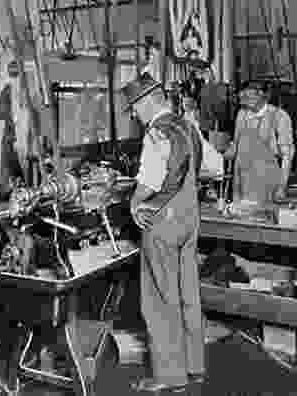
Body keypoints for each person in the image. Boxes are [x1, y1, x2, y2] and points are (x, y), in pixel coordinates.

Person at [122, 73, 205, 393]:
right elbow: (207, 167)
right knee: (188, 292)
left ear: (147, 101)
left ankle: (169, 377)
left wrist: (134, 201)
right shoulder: (188, 126)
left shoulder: (157, 132)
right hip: (189, 216)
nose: (133, 114)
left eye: (133, 107)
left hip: (163, 220)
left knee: (159, 298)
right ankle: (194, 365)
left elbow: (151, 180)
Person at [224, 81, 295, 204]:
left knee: (263, 216)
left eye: (247, 96)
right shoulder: (242, 114)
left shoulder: (279, 116)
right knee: (241, 215)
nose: (243, 100)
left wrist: (282, 187)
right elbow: (235, 145)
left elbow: (287, 155)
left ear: (261, 95)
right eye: (242, 97)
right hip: (242, 180)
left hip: (266, 181)